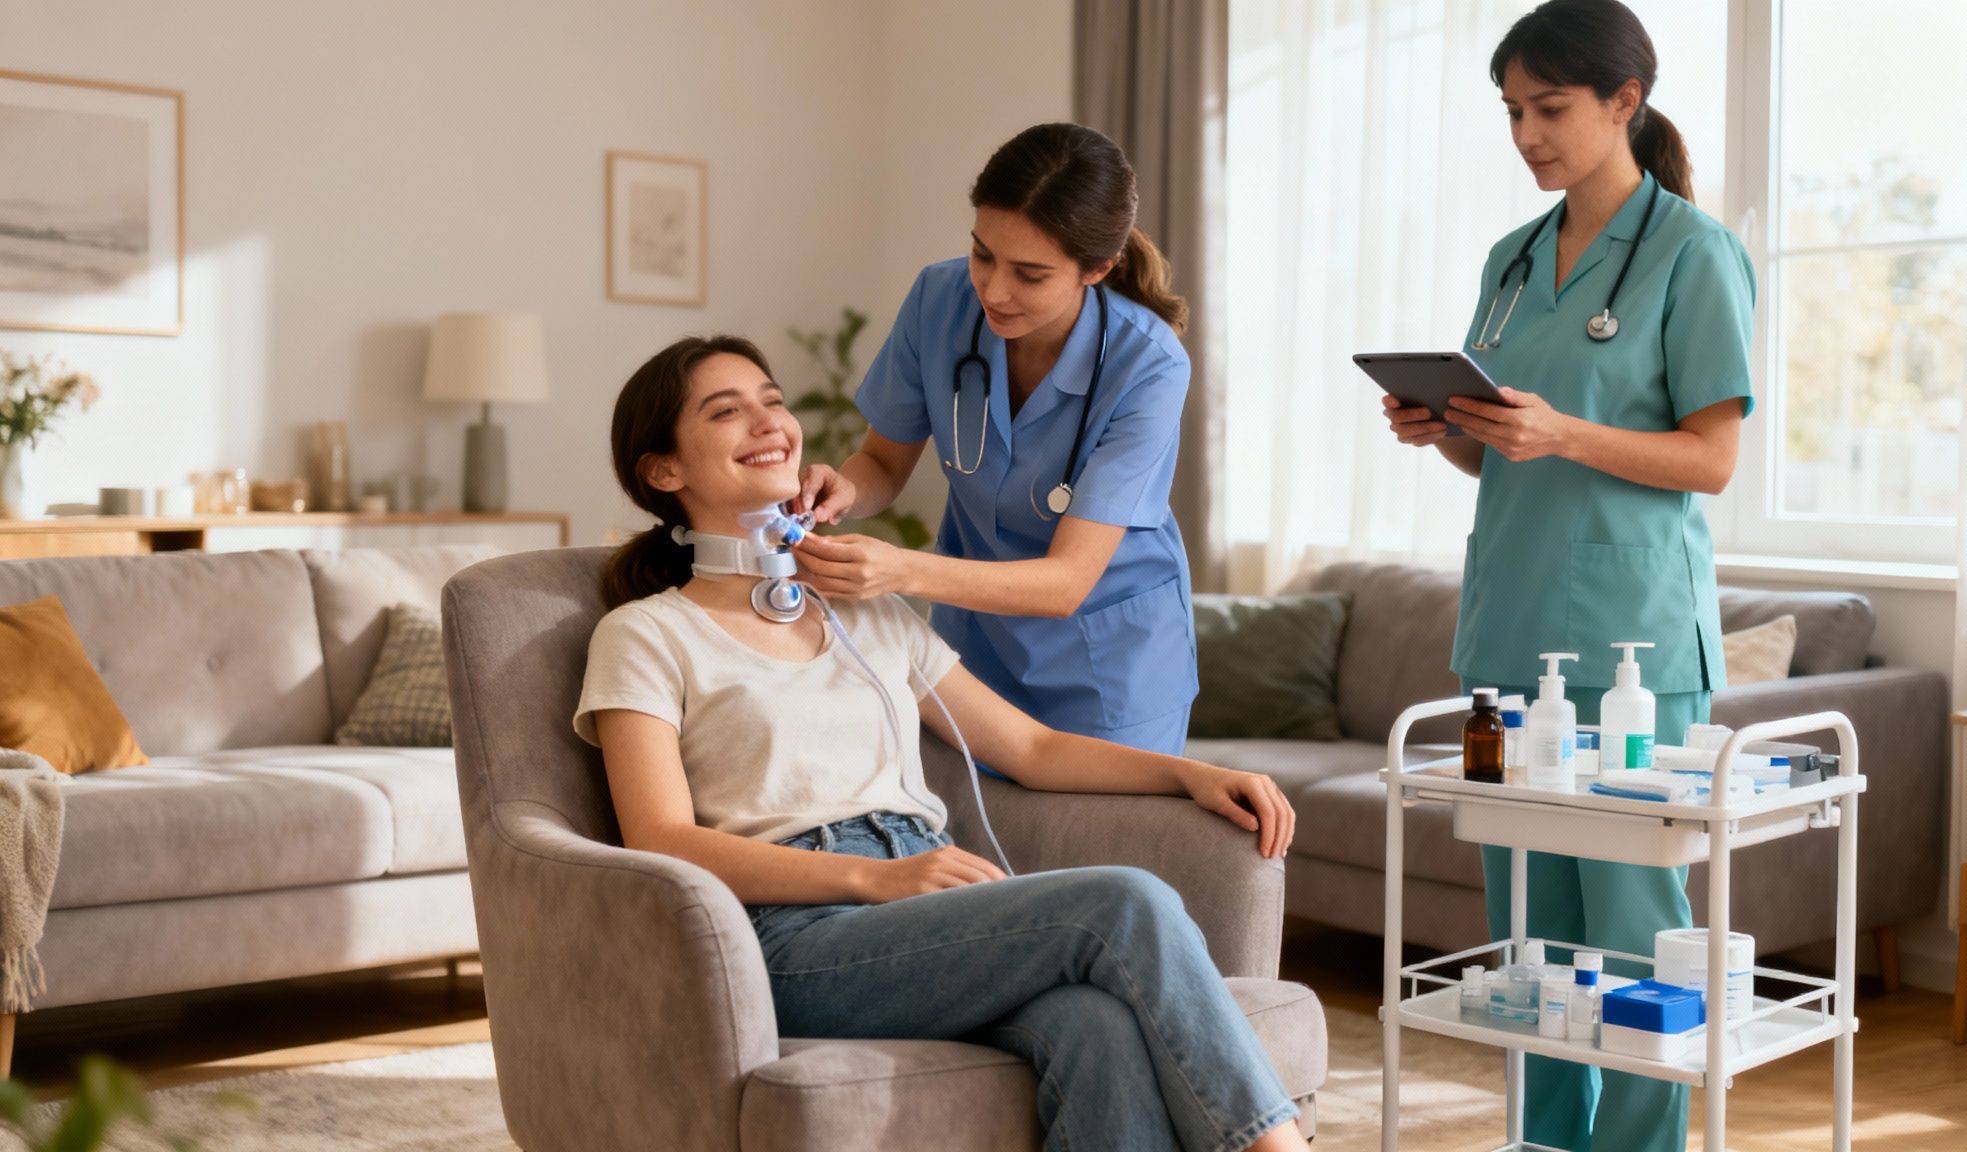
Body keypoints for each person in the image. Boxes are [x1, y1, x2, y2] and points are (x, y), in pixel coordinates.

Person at [577, 334, 1310, 1152]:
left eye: (772, 400)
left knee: (1093, 1024)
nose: (769, 421)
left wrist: (1190, 774)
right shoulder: (645, 634)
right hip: (790, 935)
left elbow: (1030, 748)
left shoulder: (869, 610)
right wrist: (873, 876)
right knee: (1125, 901)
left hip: (929, 900)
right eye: (726, 410)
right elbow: (662, 839)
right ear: (663, 472)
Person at [1381, 2, 1754, 1149]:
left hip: (1633, 637)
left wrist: (1566, 433)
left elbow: (1710, 458)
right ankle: (1543, 1137)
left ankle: (1635, 1145)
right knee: (1531, 937)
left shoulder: (1693, 253)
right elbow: (1502, 441)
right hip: (1507, 628)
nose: (1525, 134)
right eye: (1510, 112)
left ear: (1622, 102)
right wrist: (1438, 425)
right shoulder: (1510, 259)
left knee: (1636, 929)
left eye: (1547, 108)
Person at [789, 122, 1199, 757]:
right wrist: (843, 490)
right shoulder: (939, 299)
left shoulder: (1148, 364)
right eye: (983, 254)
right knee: (966, 842)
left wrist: (899, 569)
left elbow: (1066, 583)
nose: (993, 290)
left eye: (1030, 274)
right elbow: (881, 463)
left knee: (1096, 845)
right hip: (973, 641)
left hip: (1111, 661)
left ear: (1098, 268)